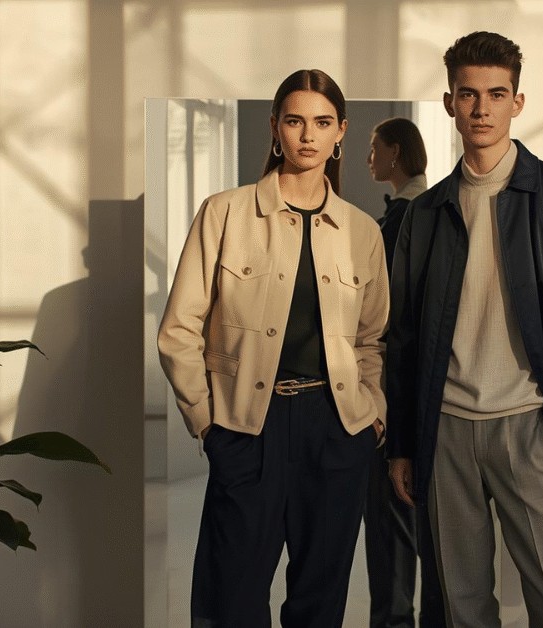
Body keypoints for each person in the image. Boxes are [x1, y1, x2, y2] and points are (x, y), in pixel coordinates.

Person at [386, 32, 543, 628]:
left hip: (531, 425)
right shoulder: (427, 212)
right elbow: (405, 334)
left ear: (518, 102)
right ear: (449, 103)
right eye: (468, 95)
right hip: (444, 431)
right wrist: (405, 445)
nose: (481, 108)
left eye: (496, 94)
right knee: (461, 606)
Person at [158, 69, 389, 628]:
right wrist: (209, 423)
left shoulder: (362, 232)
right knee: (230, 599)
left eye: (322, 122)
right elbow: (178, 330)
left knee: (320, 598)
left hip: (337, 430)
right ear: (274, 128)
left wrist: (372, 417)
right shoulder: (225, 213)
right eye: (294, 121)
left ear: (341, 133)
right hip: (247, 425)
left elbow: (372, 339)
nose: (308, 135)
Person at [364, 118, 445, 628]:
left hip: (400, 387)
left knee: (396, 520)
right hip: (418, 387)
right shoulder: (421, 208)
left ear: (395, 152)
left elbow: (394, 314)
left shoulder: (408, 216)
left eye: (374, 149)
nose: (369, 158)